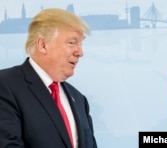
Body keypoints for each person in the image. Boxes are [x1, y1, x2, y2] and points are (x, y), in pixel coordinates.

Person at [0, 8, 97, 148]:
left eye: (81, 44)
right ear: (43, 45)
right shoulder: (5, 85)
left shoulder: (79, 100)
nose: (80, 52)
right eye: (72, 42)